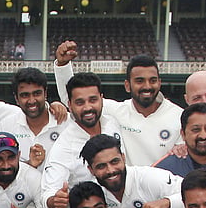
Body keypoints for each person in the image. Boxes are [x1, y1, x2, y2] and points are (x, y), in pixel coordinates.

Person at [54, 42, 182, 166]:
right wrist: (63, 65)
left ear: (159, 83)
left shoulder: (179, 116)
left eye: (152, 80)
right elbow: (77, 100)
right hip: (125, 186)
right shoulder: (116, 111)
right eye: (139, 81)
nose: (147, 86)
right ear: (127, 85)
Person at [73, 134, 189, 208]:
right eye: (101, 166)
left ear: (123, 158)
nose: (110, 170)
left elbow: (195, 196)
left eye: (114, 162)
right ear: (91, 170)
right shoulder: (97, 193)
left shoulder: (149, 178)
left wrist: (167, 202)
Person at [40, 70, 122, 208]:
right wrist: (54, 201)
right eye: (80, 102)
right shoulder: (63, 147)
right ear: (69, 105)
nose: (87, 108)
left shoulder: (112, 123)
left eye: (93, 100)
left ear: (102, 99)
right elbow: (49, 193)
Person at [10, 67, 65, 167]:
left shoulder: (65, 122)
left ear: (45, 93)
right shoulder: (7, 126)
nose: (31, 101)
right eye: (25, 95)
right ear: (16, 98)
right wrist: (29, 165)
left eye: (37, 93)